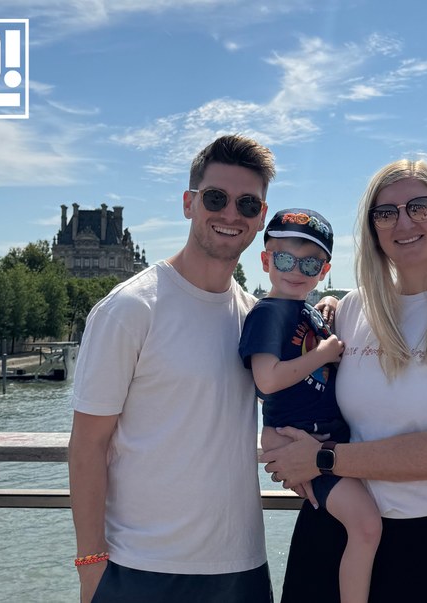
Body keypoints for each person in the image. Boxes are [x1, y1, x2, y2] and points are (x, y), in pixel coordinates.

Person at [260, 158, 427, 602]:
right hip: (332, 528)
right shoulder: (350, 310)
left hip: (426, 547)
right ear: (373, 229)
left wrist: (323, 460)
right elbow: (294, 391)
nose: (403, 222)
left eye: (419, 207)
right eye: (386, 213)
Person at [68, 134, 276, 603]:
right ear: (189, 203)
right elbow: (87, 445)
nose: (230, 215)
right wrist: (90, 565)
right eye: (216, 198)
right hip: (139, 567)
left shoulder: (254, 318)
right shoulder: (129, 309)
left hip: (241, 566)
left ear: (260, 218)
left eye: (247, 204)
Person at [239, 208, 382, 603]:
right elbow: (266, 379)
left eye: (311, 262)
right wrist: (322, 354)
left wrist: (331, 304)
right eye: (285, 259)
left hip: (320, 441)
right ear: (266, 260)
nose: (296, 270)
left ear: (325, 268)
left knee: (357, 526)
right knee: (367, 526)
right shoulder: (267, 314)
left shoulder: (302, 310)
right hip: (301, 442)